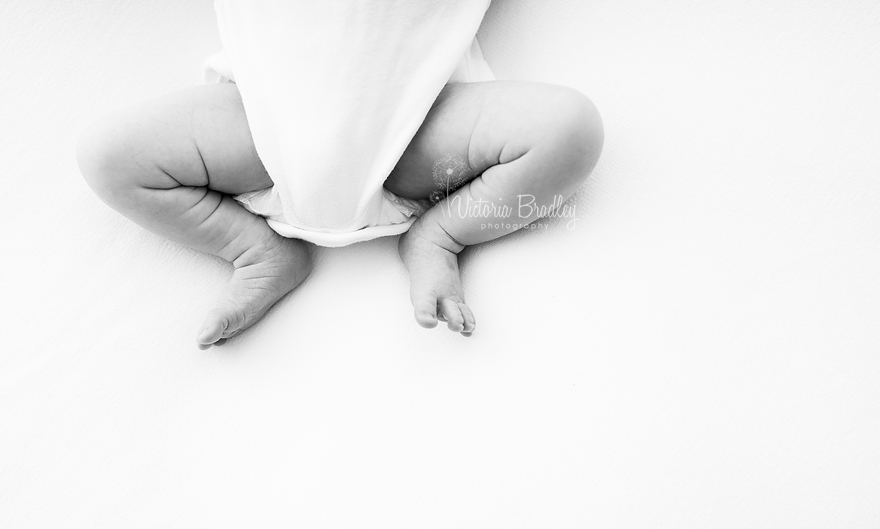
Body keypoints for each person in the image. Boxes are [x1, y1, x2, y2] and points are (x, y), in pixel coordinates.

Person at [75, 0, 603, 349]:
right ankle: (255, 250)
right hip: (261, 125)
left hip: (418, 128)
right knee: (107, 154)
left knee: (569, 127)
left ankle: (440, 234)